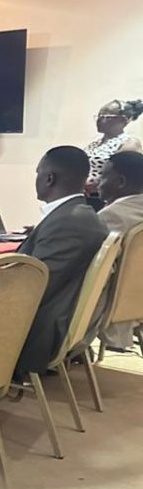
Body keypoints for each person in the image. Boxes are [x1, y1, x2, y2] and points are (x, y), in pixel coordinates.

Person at [16, 146, 109, 376]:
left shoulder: (69, 222)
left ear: (49, 178)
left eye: (38, 173)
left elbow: (34, 288)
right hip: (53, 320)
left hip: (35, 335)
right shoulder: (79, 214)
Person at [95, 150, 143, 351]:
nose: (97, 182)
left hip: (110, 304)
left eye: (103, 176)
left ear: (120, 182)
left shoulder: (112, 216)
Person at [84, 99, 143, 209]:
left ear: (123, 119)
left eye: (105, 116)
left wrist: (97, 182)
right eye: (99, 116)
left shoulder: (128, 143)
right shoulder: (95, 143)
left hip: (104, 199)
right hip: (84, 195)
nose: (99, 120)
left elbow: (127, 176)